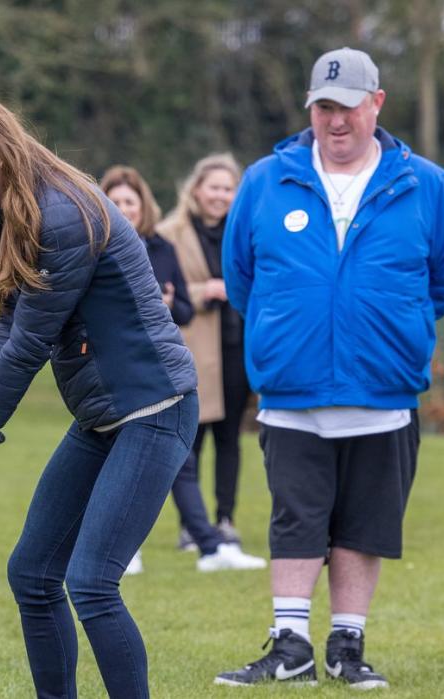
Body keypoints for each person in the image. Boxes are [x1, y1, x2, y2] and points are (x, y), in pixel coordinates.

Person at [0, 92, 198, 699]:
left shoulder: (61, 215)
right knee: (32, 573)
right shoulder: (27, 212)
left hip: (153, 408)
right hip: (103, 415)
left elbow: (30, 345)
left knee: (93, 584)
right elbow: (9, 329)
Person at [214, 47, 444, 689]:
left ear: (375, 104)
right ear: (311, 108)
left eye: (347, 107)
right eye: (323, 106)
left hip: (382, 394)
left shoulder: (425, 184)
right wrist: (288, 327)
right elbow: (242, 279)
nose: (335, 120)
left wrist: (394, 328)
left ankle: (346, 645)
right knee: (294, 518)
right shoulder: (265, 180)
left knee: (363, 523)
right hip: (292, 391)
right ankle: (291, 645)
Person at [102, 166, 265, 575]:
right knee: (121, 459)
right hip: (112, 371)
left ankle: (209, 544)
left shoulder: (159, 248)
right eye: (115, 202)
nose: (123, 210)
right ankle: (130, 547)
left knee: (176, 459)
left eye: (130, 203)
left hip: (160, 368)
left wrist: (170, 303)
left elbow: (182, 310)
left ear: (143, 207)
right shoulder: (94, 248)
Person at [157, 153, 249, 547]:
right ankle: (191, 527)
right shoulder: (170, 233)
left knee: (230, 438)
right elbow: (159, 289)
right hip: (192, 350)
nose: (221, 196)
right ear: (196, 189)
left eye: (228, 189)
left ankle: (225, 519)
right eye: (214, 187)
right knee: (190, 438)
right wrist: (204, 291)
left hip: (237, 349)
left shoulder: (245, 231)